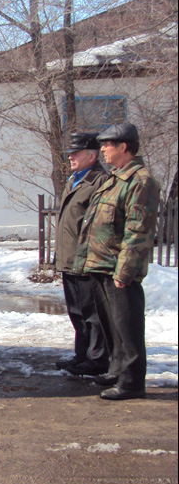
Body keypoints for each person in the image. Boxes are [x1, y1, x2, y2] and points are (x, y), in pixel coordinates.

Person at [74, 123, 159, 401]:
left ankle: (132, 383)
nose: (103, 150)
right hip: (101, 264)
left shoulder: (140, 181)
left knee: (127, 326)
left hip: (118, 268)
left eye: (107, 145)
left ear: (124, 147)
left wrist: (125, 271)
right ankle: (117, 370)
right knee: (112, 324)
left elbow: (138, 232)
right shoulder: (115, 178)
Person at [54, 132, 109, 376]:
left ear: (91, 156)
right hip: (69, 258)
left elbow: (98, 224)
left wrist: (90, 257)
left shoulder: (99, 181)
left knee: (92, 313)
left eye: (75, 153)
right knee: (76, 311)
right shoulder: (75, 180)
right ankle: (82, 354)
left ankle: (97, 358)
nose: (70, 157)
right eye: (70, 153)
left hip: (86, 259)